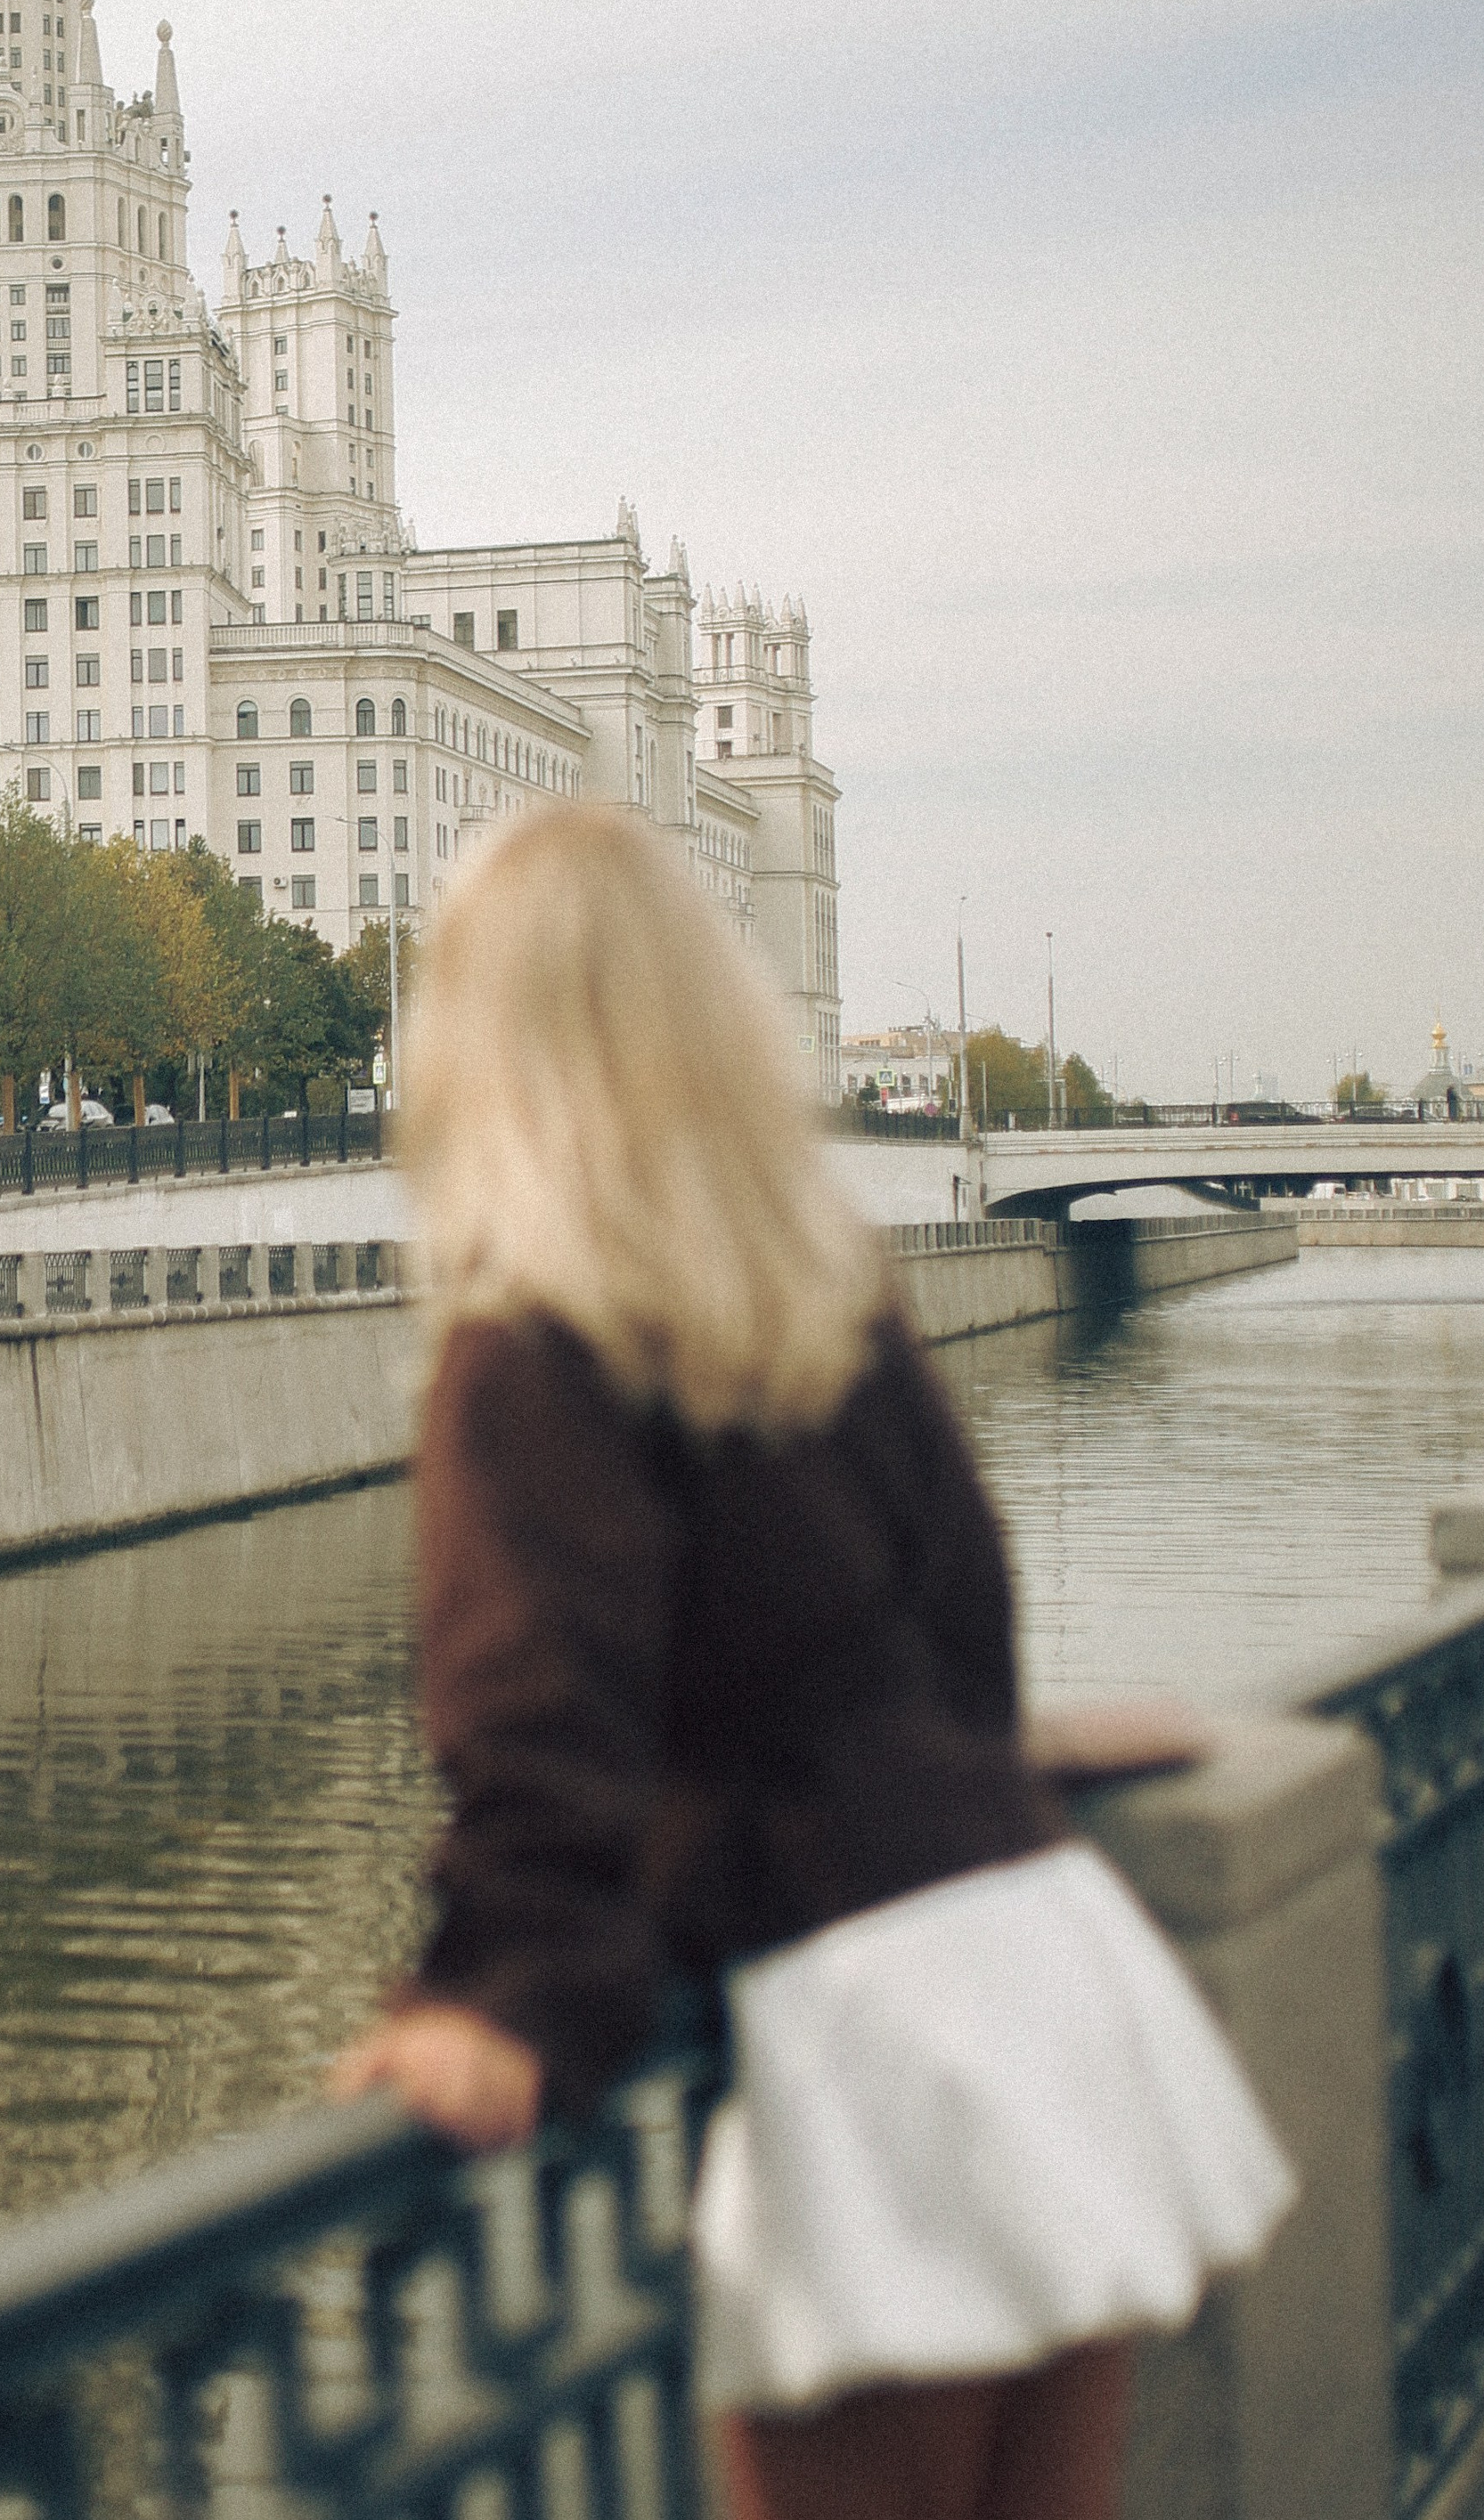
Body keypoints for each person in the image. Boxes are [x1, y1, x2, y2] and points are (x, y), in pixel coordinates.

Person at [334, 809, 1291, 2520]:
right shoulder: (821, 1293)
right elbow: (962, 1625)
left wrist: (508, 1987)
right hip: (1044, 1955)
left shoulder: (528, 1348)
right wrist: (960, 1767)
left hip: (879, 2033)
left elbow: (538, 1718)